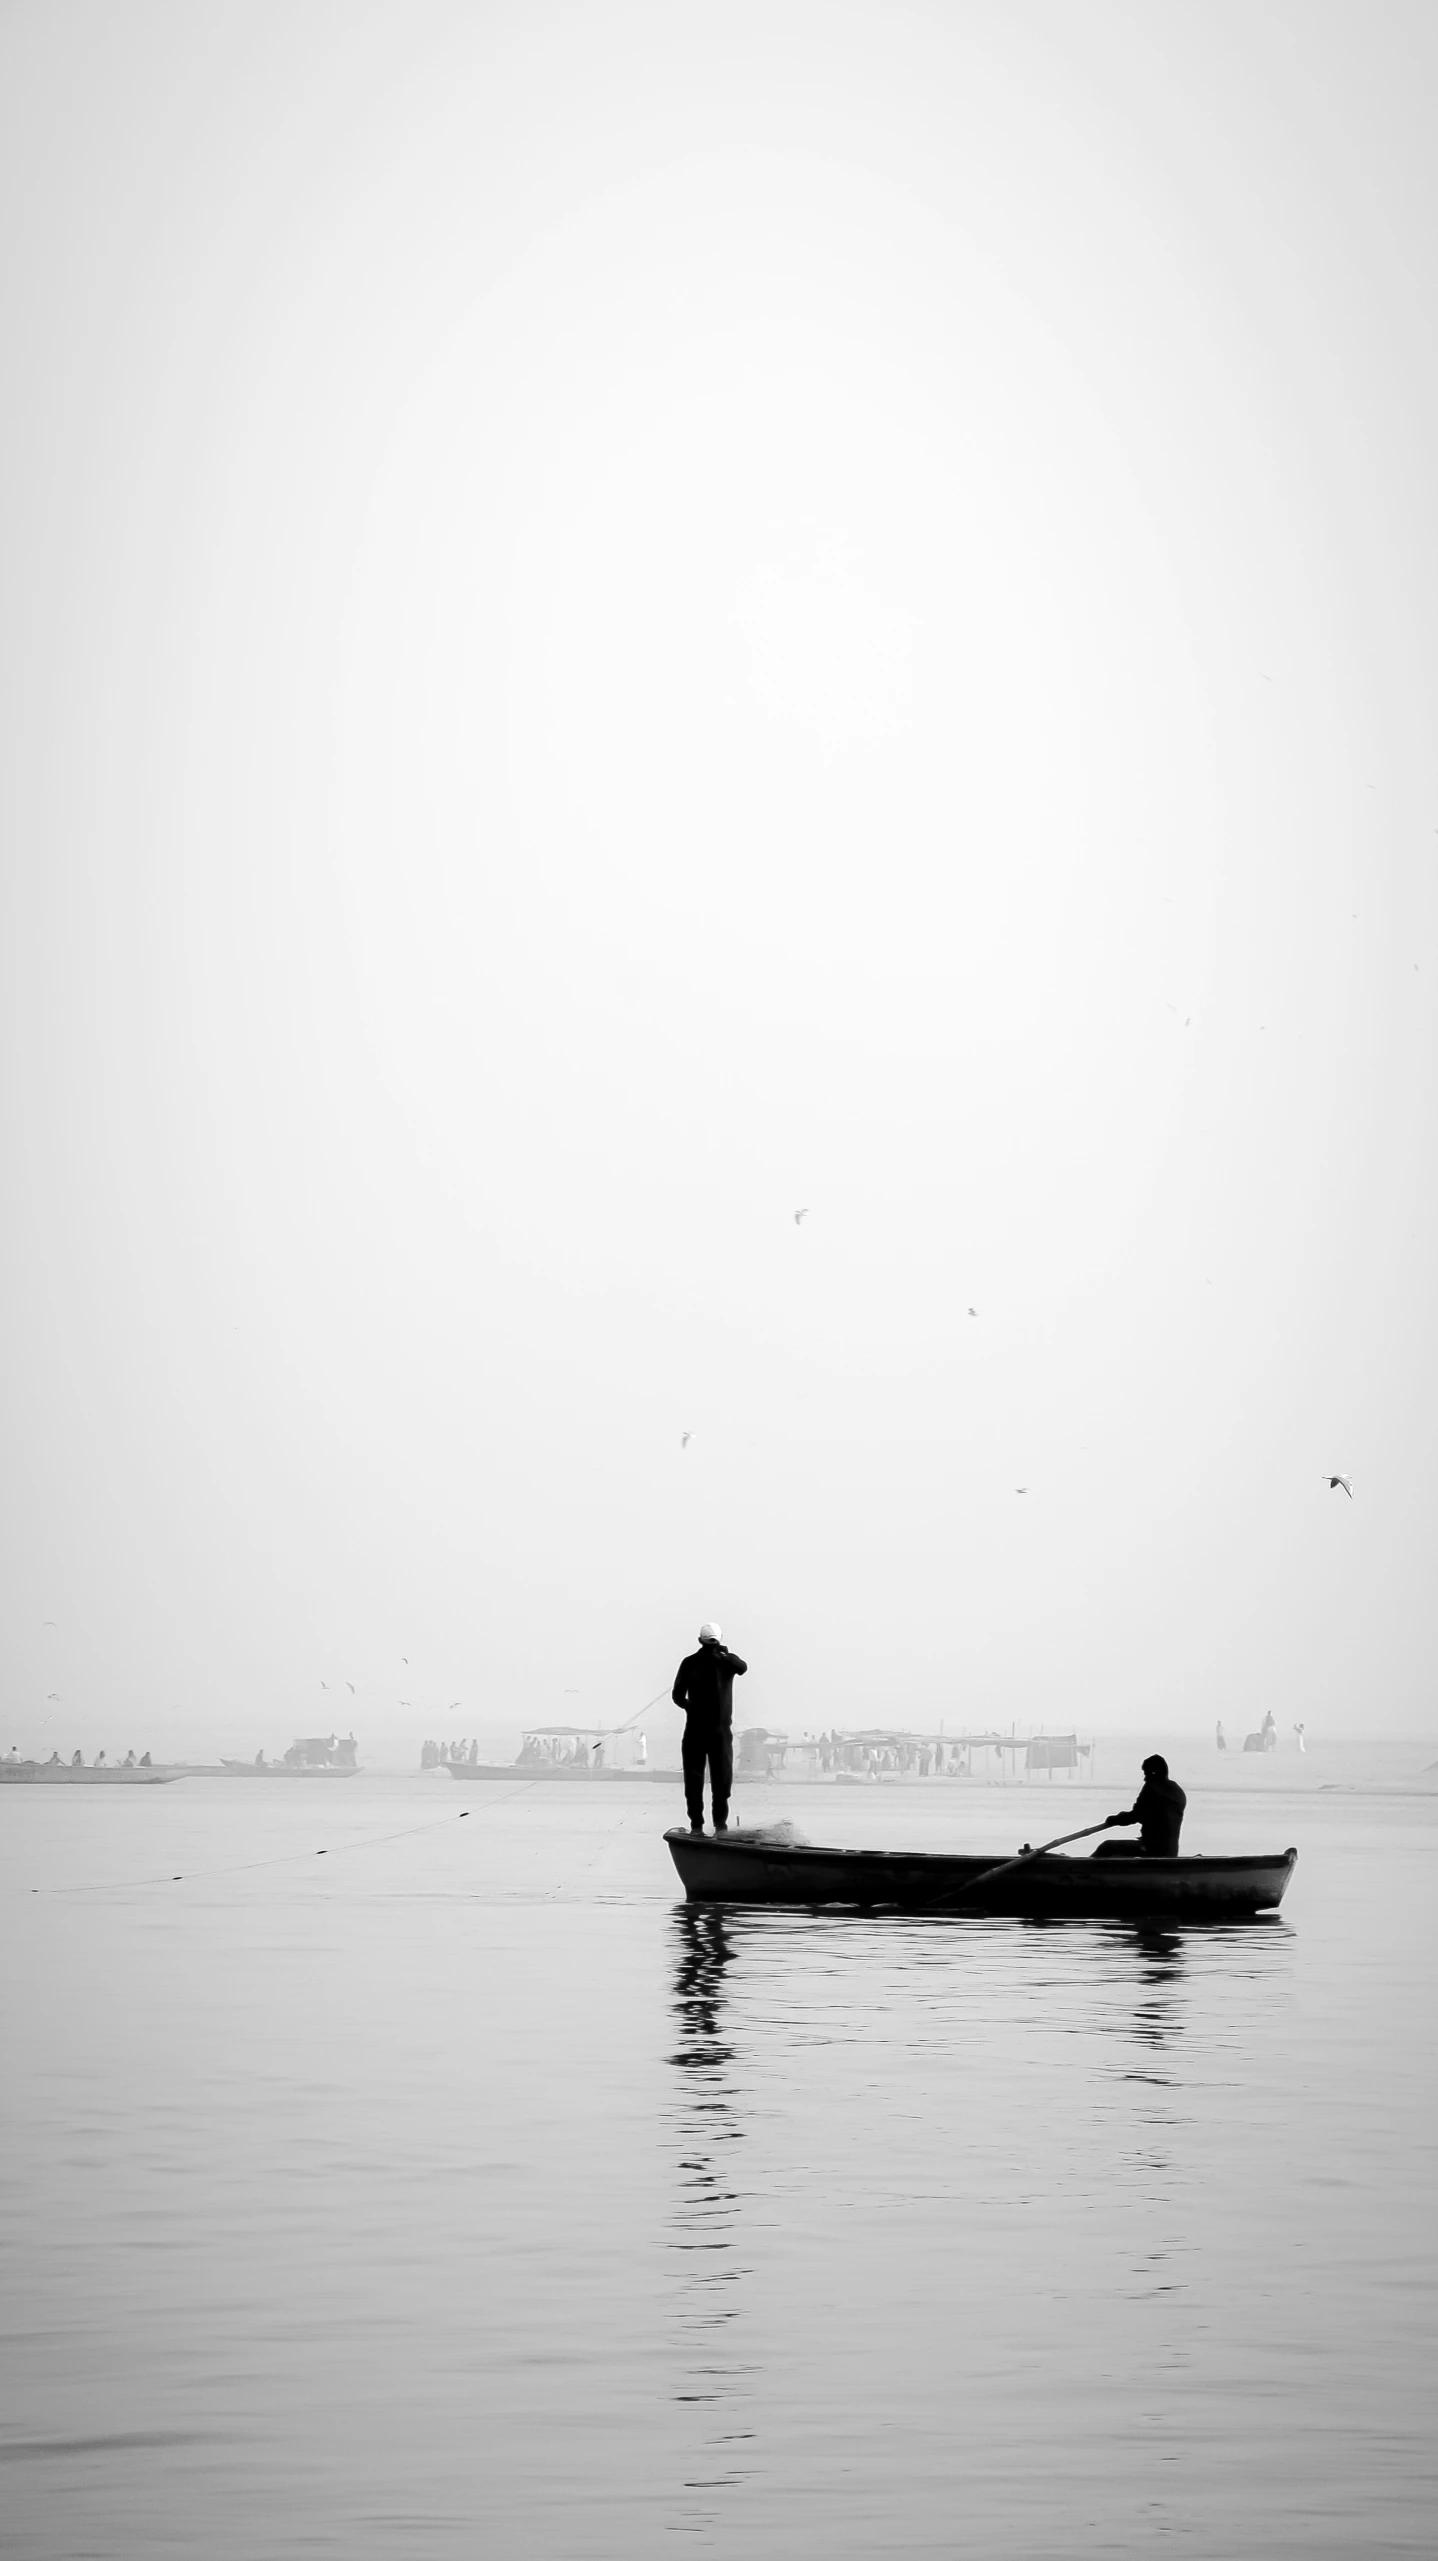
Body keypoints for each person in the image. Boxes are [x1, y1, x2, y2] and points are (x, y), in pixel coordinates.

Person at [671, 1622, 747, 1835]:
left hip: (695, 1730)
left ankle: (696, 1827)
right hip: (720, 1733)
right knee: (721, 1780)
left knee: (693, 1780)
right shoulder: (727, 1662)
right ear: (720, 1640)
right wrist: (724, 1653)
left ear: (699, 1640)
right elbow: (743, 1667)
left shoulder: (689, 1662)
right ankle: (720, 1827)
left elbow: (677, 1696)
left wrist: (690, 1708)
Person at [1092, 1754, 1186, 1858]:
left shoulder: (1153, 1789)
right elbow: (1144, 1813)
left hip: (1151, 1849)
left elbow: (1135, 1815)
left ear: (1154, 1773)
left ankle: (1085, 1869)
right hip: (1170, 1852)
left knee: (1107, 1846)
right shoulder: (1177, 1791)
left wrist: (1114, 1819)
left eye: (1146, 1774)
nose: (1145, 1779)